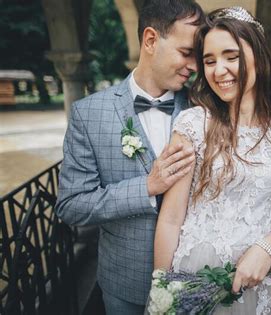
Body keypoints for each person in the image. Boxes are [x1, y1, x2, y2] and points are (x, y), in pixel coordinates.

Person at [153, 7, 271, 314]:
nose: (218, 70)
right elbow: (170, 218)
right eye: (209, 61)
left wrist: (267, 248)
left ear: (258, 58)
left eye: (230, 56)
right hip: (199, 274)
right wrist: (164, 292)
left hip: (265, 279)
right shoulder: (193, 125)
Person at [55, 1, 204, 314]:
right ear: (150, 40)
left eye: (197, 56)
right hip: (125, 286)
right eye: (186, 52)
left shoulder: (204, 111)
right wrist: (147, 187)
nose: (194, 66)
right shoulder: (88, 114)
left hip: (197, 283)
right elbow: (71, 206)